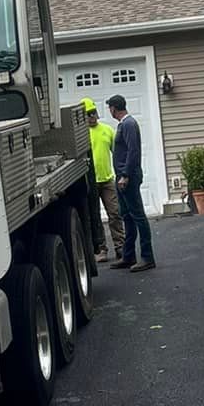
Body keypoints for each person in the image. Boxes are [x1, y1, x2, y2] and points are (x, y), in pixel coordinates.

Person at [106, 91, 155, 272]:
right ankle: (128, 256)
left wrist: (125, 175)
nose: (109, 111)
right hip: (121, 177)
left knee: (138, 216)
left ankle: (147, 257)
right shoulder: (123, 124)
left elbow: (133, 152)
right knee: (126, 215)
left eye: (110, 107)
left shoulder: (128, 124)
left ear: (114, 108)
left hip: (128, 178)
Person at [83, 98, 124, 260]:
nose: (91, 116)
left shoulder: (107, 130)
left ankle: (120, 246)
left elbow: (118, 154)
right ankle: (101, 249)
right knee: (95, 217)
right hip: (90, 182)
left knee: (114, 213)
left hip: (107, 180)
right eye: (88, 114)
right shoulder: (82, 135)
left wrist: (121, 173)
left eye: (93, 112)